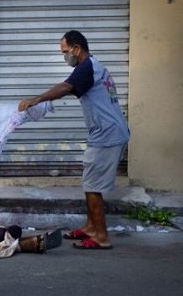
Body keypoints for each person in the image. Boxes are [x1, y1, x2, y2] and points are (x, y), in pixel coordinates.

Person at [18, 30, 129, 250]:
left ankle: (101, 237)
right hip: (107, 132)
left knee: (92, 186)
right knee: (89, 183)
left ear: (77, 49)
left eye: (65, 52)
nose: (65, 57)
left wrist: (38, 99)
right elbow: (71, 89)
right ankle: (90, 227)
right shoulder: (94, 67)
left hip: (107, 135)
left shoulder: (86, 67)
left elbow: (66, 87)